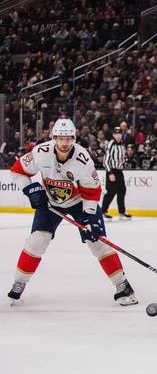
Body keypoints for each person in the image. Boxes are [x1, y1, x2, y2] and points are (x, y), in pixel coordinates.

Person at [6, 118, 137, 306]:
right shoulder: (41, 152)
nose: (64, 143)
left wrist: (90, 218)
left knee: (97, 242)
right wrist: (31, 189)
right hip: (51, 204)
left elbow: (92, 193)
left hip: (80, 202)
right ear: (54, 138)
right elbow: (17, 171)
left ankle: (123, 285)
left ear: (74, 139)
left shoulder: (83, 160)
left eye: (68, 139)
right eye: (61, 139)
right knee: (36, 240)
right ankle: (19, 283)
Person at [102, 126, 131, 220]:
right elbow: (105, 161)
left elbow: (125, 157)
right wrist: (110, 173)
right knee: (111, 191)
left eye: (119, 134)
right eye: (116, 134)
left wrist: (124, 160)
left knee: (122, 190)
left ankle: (121, 212)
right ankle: (103, 211)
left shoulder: (122, 144)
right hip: (111, 170)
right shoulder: (111, 144)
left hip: (119, 170)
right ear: (113, 135)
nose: (118, 136)